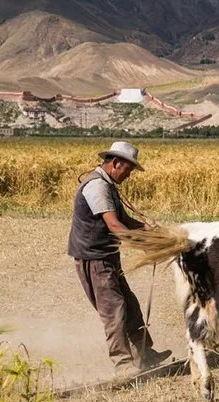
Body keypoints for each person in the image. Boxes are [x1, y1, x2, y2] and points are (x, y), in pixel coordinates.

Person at [67, 141, 171, 377]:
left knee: (130, 306)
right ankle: (123, 364)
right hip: (94, 259)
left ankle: (145, 355)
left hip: (107, 256)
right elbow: (114, 225)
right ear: (116, 163)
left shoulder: (108, 186)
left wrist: (146, 229)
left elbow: (125, 222)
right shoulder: (97, 188)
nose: (129, 175)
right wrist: (146, 245)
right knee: (114, 310)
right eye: (129, 170)